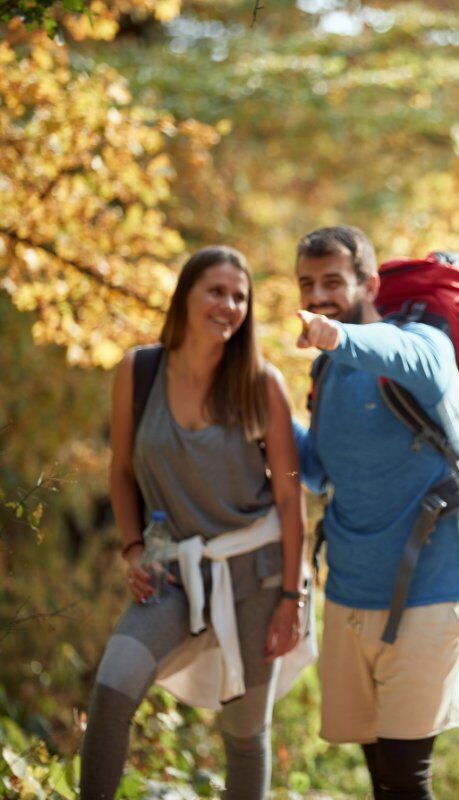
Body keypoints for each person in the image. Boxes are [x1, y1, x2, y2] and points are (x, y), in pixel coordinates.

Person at [81, 246, 308, 800]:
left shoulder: (262, 384)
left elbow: (289, 497)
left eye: (240, 296)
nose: (229, 305)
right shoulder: (138, 371)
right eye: (216, 290)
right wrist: (132, 548)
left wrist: (291, 597)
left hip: (258, 573)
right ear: (185, 294)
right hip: (172, 565)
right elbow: (121, 470)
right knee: (112, 692)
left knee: (244, 733)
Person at [291, 226, 459, 800]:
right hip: (349, 587)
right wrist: (260, 410)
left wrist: (336, 334)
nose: (318, 294)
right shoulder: (326, 370)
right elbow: (319, 469)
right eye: (306, 284)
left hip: (430, 588)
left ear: (368, 283)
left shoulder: (424, 345)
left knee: (406, 776)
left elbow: (397, 352)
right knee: (382, 779)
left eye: (332, 281)